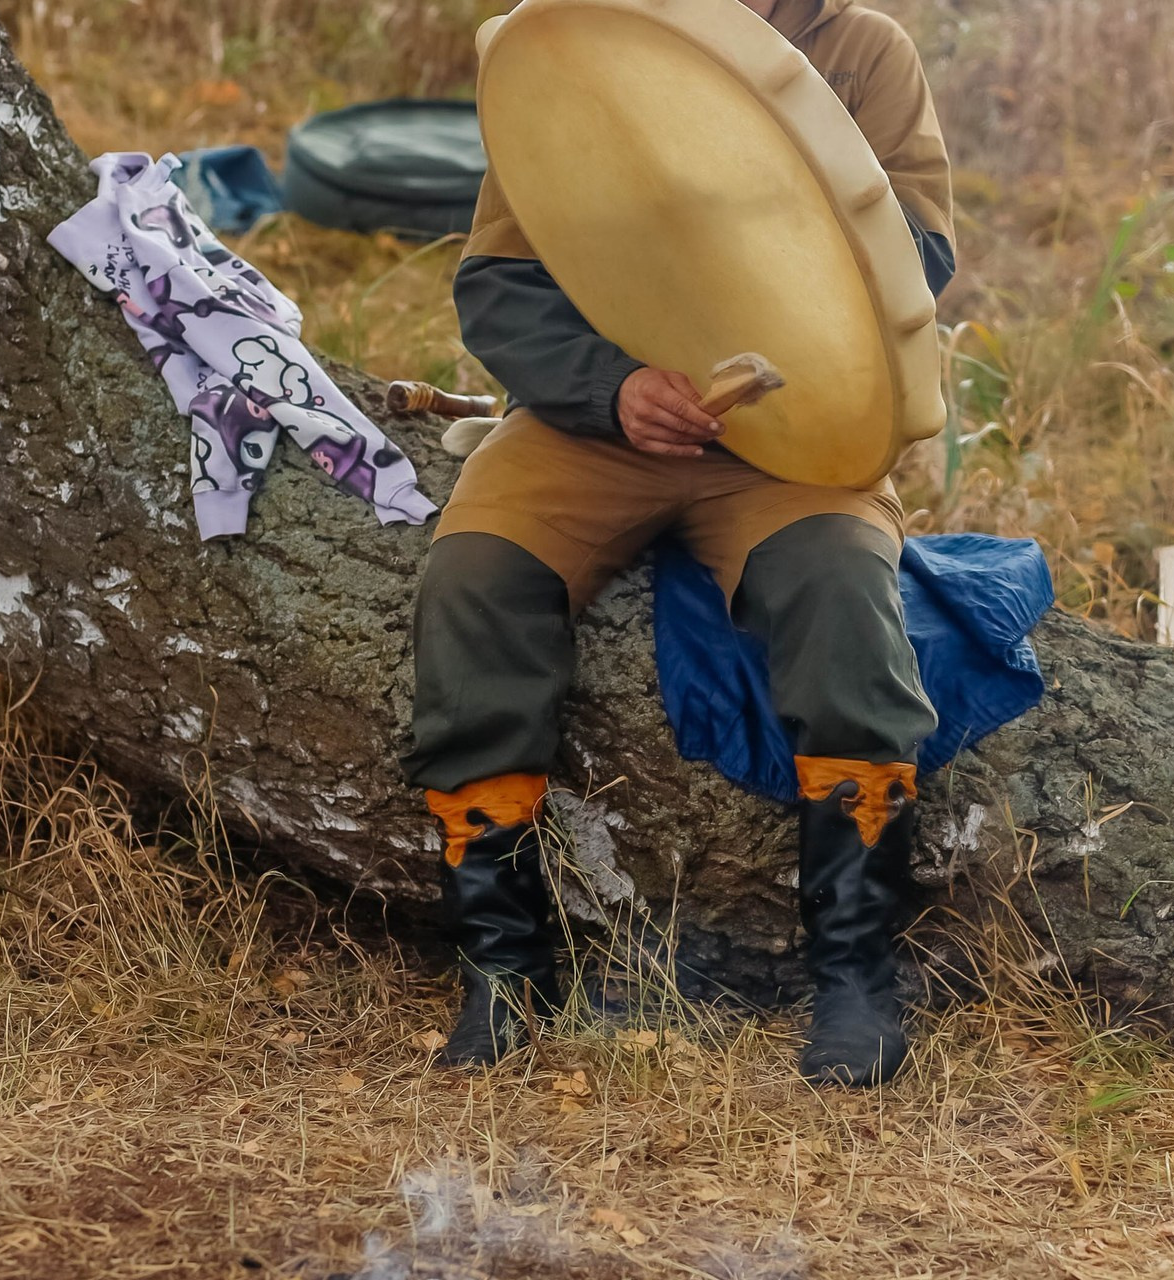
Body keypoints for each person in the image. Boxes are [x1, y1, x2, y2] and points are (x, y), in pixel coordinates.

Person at [401, 0, 955, 1088]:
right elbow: (498, 285)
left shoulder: (865, 50)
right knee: (472, 579)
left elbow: (919, 264)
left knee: (842, 590)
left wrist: (778, 224)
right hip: (594, 423)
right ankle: (505, 968)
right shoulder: (598, 32)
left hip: (790, 426)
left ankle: (853, 974)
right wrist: (612, 390)